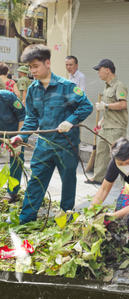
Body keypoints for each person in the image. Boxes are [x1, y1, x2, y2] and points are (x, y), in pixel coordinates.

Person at [9, 44, 93, 224]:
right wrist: (21, 136)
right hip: (44, 145)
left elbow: (87, 106)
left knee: (68, 183)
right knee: (35, 182)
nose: (32, 71)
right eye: (30, 67)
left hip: (66, 146)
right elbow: (31, 119)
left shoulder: (67, 87)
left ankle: (65, 219)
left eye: (35, 66)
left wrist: (70, 121)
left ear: (47, 63)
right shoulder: (32, 90)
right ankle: (26, 219)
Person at [85, 59, 128, 185]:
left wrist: (106, 106)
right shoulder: (107, 86)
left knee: (120, 156)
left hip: (116, 128)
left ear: (107, 70)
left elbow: (123, 104)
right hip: (106, 126)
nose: (98, 73)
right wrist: (101, 121)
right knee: (102, 153)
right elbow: (107, 109)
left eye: (99, 70)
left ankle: (128, 185)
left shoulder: (119, 85)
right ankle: (99, 177)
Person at [0, 90, 25, 203]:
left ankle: (12, 191)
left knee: (16, 160)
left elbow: (22, 117)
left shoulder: (8, 97)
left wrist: (19, 137)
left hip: (14, 134)